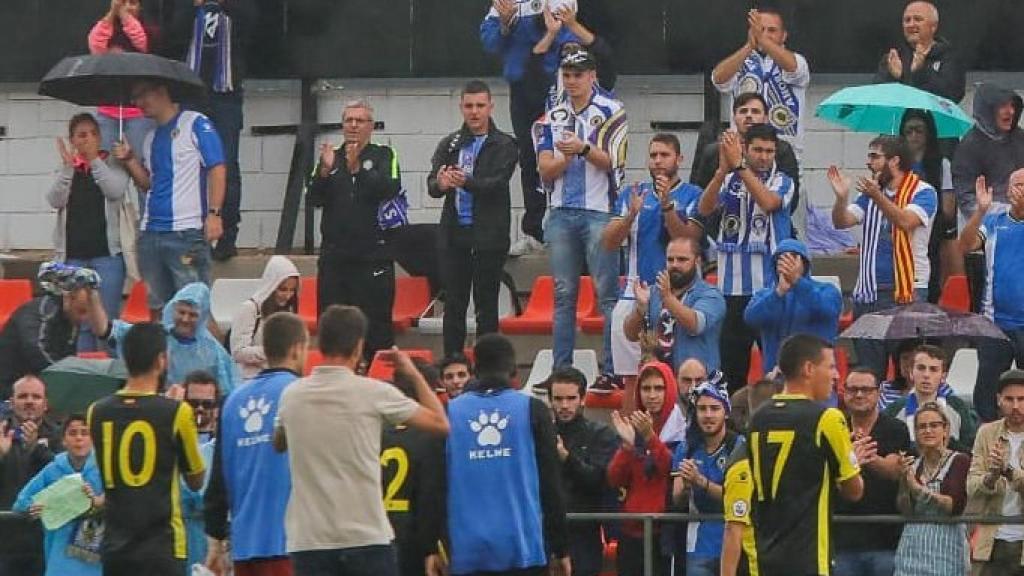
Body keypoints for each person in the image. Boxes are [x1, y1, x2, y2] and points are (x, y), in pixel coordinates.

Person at [273, 305, 448, 575]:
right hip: (365, 536)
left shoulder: (292, 395)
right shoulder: (374, 392)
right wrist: (412, 373)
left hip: (309, 538)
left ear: (319, 342)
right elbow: (440, 424)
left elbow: (278, 443)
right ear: (359, 347)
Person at [424, 333, 568, 576]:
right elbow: (551, 485)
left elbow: (433, 486)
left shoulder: (448, 413)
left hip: (467, 551)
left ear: (475, 369)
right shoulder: (534, 410)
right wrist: (561, 547)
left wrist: (430, 546)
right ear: (513, 369)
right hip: (523, 549)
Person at [535, 46, 627, 378]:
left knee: (607, 295)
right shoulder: (552, 114)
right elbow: (544, 169)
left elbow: (614, 161)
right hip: (560, 210)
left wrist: (583, 148)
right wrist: (566, 158)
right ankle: (562, 370)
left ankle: (612, 369)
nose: (572, 81)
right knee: (563, 295)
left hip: (599, 210)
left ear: (592, 76)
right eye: (567, 75)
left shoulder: (613, 110)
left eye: (578, 75)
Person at [87, 322, 207, 575]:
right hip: (162, 547)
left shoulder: (96, 411)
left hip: (115, 548)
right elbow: (196, 480)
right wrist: (172, 414)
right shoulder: (176, 412)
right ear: (161, 360)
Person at [742, 334, 865, 576]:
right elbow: (854, 490)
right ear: (809, 369)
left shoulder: (758, 417)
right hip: (807, 558)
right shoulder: (827, 418)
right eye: (830, 366)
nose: (836, 375)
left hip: (764, 554)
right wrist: (851, 460)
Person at [205, 312, 308, 576]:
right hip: (290, 545)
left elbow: (218, 479)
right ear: (297, 349)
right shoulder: (302, 395)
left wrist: (215, 540)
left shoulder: (232, 401)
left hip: (244, 547)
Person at [113, 79, 226, 316]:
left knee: (195, 313)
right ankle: (163, 354)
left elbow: (217, 167)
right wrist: (129, 160)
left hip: (186, 233)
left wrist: (215, 214)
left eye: (144, 95)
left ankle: (218, 354)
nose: (140, 104)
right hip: (151, 234)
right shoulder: (150, 138)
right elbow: (149, 184)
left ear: (162, 91)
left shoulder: (195, 123)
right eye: (135, 99)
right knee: (158, 312)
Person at [600, 133, 703, 390]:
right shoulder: (633, 194)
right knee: (631, 374)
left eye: (664, 155)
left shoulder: (693, 194)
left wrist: (667, 204)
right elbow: (609, 243)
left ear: (679, 159)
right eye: (653, 155)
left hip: (681, 291)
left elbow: (687, 239)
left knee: (676, 370)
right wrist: (631, 214)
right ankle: (619, 389)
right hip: (637, 288)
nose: (658, 161)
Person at [829, 136, 938, 378]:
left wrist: (878, 196)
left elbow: (905, 221)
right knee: (870, 372)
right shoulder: (871, 193)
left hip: (907, 291)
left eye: (874, 156)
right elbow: (841, 221)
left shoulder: (923, 191)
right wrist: (840, 198)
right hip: (869, 292)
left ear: (895, 161)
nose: (869, 163)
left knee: (907, 371)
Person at [697, 124, 795, 392]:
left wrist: (740, 166)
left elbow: (769, 203)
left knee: (775, 368)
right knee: (731, 370)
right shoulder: (730, 179)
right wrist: (720, 172)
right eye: (758, 150)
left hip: (769, 289)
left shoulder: (783, 180)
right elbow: (704, 208)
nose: (764, 157)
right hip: (731, 289)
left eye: (769, 151)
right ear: (746, 148)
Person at [480, 0, 579, 257]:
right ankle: (534, 232)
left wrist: (552, 32)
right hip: (522, 87)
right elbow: (490, 44)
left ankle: (565, 230)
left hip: (555, 86)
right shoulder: (506, 2)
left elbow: (572, 39)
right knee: (528, 157)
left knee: (562, 155)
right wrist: (505, 24)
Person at [426, 80, 518, 358]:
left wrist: (466, 181)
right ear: (461, 108)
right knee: (454, 303)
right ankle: (452, 361)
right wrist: (442, 184)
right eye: (469, 106)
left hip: (489, 237)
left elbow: (497, 183)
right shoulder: (451, 143)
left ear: (491, 107)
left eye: (480, 106)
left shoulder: (504, 144)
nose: (474, 112)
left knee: (486, 305)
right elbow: (432, 186)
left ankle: (487, 363)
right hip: (455, 235)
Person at [307, 99, 402, 362]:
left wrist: (357, 169)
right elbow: (314, 198)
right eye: (348, 120)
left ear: (371, 126)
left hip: (373, 259)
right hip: (335, 259)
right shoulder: (330, 156)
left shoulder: (384, 155)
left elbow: (389, 188)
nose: (353, 125)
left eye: (360, 120)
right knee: (333, 330)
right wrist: (324, 173)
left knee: (376, 331)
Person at [170, 0, 256, 261]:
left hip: (226, 95)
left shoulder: (237, 8)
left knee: (226, 164)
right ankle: (194, 235)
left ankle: (227, 235)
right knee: (191, 165)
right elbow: (172, 34)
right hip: (192, 94)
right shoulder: (188, 8)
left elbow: (255, 28)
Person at [47, 113, 131, 352]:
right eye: (82, 135)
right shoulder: (67, 169)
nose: (89, 140)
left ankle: (109, 375)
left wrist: (94, 160)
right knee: (81, 321)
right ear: (72, 140)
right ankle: (84, 374)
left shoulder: (111, 163)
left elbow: (115, 190)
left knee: (106, 321)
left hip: (107, 256)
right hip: (74, 256)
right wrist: (67, 169)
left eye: (94, 134)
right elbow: (54, 200)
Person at [833, 367, 913, 576]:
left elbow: (894, 470)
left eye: (866, 390)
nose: (859, 395)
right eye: (853, 389)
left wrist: (857, 458)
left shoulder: (895, 428)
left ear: (878, 393)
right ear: (844, 392)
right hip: (842, 540)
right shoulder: (833, 426)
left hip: (885, 539)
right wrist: (854, 459)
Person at [951, 83, 1024, 312]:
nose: (1009, 111)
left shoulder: (1021, 139)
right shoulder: (969, 146)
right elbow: (966, 199)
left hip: (1020, 234)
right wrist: (1004, 212)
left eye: (1012, 106)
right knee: (985, 305)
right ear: (987, 109)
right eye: (1002, 106)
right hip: (985, 241)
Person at [607, 361, 683, 576]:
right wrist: (627, 447)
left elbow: (671, 469)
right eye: (646, 388)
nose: (652, 395)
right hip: (631, 533)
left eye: (659, 388)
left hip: (665, 534)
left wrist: (650, 438)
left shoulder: (682, 431)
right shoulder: (631, 429)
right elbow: (614, 478)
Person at [961, 170, 1024, 422]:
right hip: (994, 324)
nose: (1019, 190)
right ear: (1007, 191)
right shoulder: (994, 221)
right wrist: (979, 211)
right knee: (987, 392)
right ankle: (986, 442)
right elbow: (964, 245)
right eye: (1016, 185)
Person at [103, 282, 239, 395]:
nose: (185, 319)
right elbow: (106, 331)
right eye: (181, 312)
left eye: (192, 315)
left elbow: (228, 390)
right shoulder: (155, 336)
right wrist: (92, 297)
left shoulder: (214, 351)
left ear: (202, 317)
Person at [12, 414, 104, 576]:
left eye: (85, 433)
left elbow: (123, 501)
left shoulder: (104, 470)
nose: (79, 438)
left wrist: (98, 501)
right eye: (73, 433)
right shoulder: (52, 470)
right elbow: (22, 501)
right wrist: (31, 509)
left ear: (94, 440)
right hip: (58, 553)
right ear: (63, 440)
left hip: (95, 555)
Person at [711, 8, 810, 158]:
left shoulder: (796, 60)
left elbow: (794, 68)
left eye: (772, 30)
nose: (765, 34)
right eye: (760, 30)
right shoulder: (740, 61)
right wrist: (749, 46)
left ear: (784, 36)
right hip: (742, 150)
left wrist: (762, 39)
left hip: (783, 151)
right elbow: (718, 79)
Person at [548, 366, 618, 576]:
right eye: (558, 399)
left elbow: (598, 480)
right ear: (550, 400)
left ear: (583, 399)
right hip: (547, 532)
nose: (564, 405)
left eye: (571, 398)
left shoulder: (601, 434)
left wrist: (565, 457)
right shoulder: (540, 434)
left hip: (585, 534)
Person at [670, 381, 743, 576]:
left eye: (714, 408)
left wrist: (701, 482)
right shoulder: (686, 448)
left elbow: (738, 500)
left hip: (735, 541)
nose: (708, 415)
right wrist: (685, 486)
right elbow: (677, 500)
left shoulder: (740, 447)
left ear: (726, 412)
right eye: (702, 409)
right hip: (698, 544)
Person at [381, 359, 447, 576]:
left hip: (377, 531)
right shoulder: (429, 437)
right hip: (412, 534)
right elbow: (430, 495)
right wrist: (431, 547)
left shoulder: (375, 434)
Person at [0, 264, 108, 395]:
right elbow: (36, 350)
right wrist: (68, 376)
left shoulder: (69, 315)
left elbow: (67, 357)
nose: (84, 319)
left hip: (37, 383)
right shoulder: (42, 311)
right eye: (82, 311)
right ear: (68, 298)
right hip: (12, 385)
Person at [624, 237, 725, 375]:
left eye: (682, 260)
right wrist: (640, 309)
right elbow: (630, 334)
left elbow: (695, 325)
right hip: (660, 382)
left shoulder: (711, 295)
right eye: (670, 260)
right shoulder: (654, 291)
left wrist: (667, 297)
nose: (675, 265)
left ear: (697, 261)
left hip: (698, 382)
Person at [690, 92, 801, 216]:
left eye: (755, 111)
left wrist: (739, 165)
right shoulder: (714, 151)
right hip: (722, 225)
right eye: (743, 111)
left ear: (765, 118)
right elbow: (699, 200)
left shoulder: (782, 150)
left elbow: (791, 202)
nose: (749, 115)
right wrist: (721, 172)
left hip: (771, 225)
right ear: (734, 117)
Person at [893, 402, 971, 575]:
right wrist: (904, 483)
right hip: (912, 545)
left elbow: (954, 506)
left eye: (934, 425)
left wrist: (919, 489)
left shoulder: (960, 461)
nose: (928, 431)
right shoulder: (914, 464)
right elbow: (905, 509)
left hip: (946, 547)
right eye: (922, 427)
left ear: (945, 430)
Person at [743, 239, 842, 374]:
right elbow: (751, 318)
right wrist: (778, 293)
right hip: (777, 375)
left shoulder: (827, 290)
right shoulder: (765, 294)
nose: (787, 262)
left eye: (793, 257)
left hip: (816, 375)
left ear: (804, 262)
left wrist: (797, 282)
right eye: (782, 258)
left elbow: (826, 310)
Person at [967, 369, 1024, 574]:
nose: (1016, 406)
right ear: (999, 400)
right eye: (1009, 399)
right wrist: (990, 478)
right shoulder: (986, 433)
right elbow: (971, 487)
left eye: (1021, 399)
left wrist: (1007, 471)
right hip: (992, 540)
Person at [900, 109, 960, 303]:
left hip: (932, 234)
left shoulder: (942, 164)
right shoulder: (896, 165)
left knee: (931, 286)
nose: (913, 136)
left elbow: (949, 207)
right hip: (899, 230)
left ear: (928, 134)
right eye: (908, 131)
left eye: (919, 130)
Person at [87, 0, 157, 157]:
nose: (127, 7)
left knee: (140, 163)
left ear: (141, 7)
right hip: (108, 111)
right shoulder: (108, 28)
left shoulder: (149, 29)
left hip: (139, 112)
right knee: (106, 163)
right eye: (122, 3)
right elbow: (95, 45)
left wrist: (124, 15)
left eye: (132, 3)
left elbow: (142, 42)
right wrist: (113, 13)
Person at [884, 345, 978, 453]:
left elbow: (970, 449)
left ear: (943, 376)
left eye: (933, 369)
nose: (926, 375)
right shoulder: (895, 409)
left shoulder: (957, 406)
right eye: (921, 368)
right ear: (911, 373)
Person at [874, 1, 965, 103]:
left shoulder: (949, 57)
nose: (911, 24)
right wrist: (895, 78)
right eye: (907, 20)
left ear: (933, 26)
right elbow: (878, 97)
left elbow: (953, 96)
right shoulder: (893, 59)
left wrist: (921, 72)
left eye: (918, 19)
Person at [230, 255, 300, 379]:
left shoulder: (289, 311)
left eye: (292, 290)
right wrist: (273, 351)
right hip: (251, 379)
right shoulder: (249, 309)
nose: (288, 295)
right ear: (271, 285)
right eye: (283, 289)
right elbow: (238, 352)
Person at [0, 376, 63, 509]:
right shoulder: (1, 432)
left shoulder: (60, 435)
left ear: (45, 404)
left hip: (45, 517)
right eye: (23, 396)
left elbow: (64, 476)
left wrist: (36, 449)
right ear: (11, 403)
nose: (29, 401)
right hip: (5, 518)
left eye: (36, 397)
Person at [180, 371, 219, 571]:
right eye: (194, 404)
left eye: (207, 404)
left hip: (213, 541)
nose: (200, 409)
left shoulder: (221, 448)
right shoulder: (171, 443)